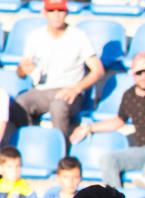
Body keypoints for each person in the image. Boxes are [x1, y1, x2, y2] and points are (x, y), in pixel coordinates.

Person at [69, 52, 145, 190]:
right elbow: (119, 120)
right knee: (108, 160)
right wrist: (89, 127)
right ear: (132, 73)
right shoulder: (129, 95)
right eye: (139, 72)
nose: (143, 76)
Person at [13, 0, 105, 139]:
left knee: (58, 106)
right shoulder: (35, 36)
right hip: (41, 91)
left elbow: (98, 70)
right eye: (51, 11)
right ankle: (30, 144)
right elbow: (20, 73)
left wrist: (76, 89)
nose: (56, 15)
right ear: (44, 13)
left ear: (66, 12)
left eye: (60, 10)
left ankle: (61, 152)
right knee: (19, 103)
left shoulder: (78, 36)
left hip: (69, 91)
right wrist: (23, 69)